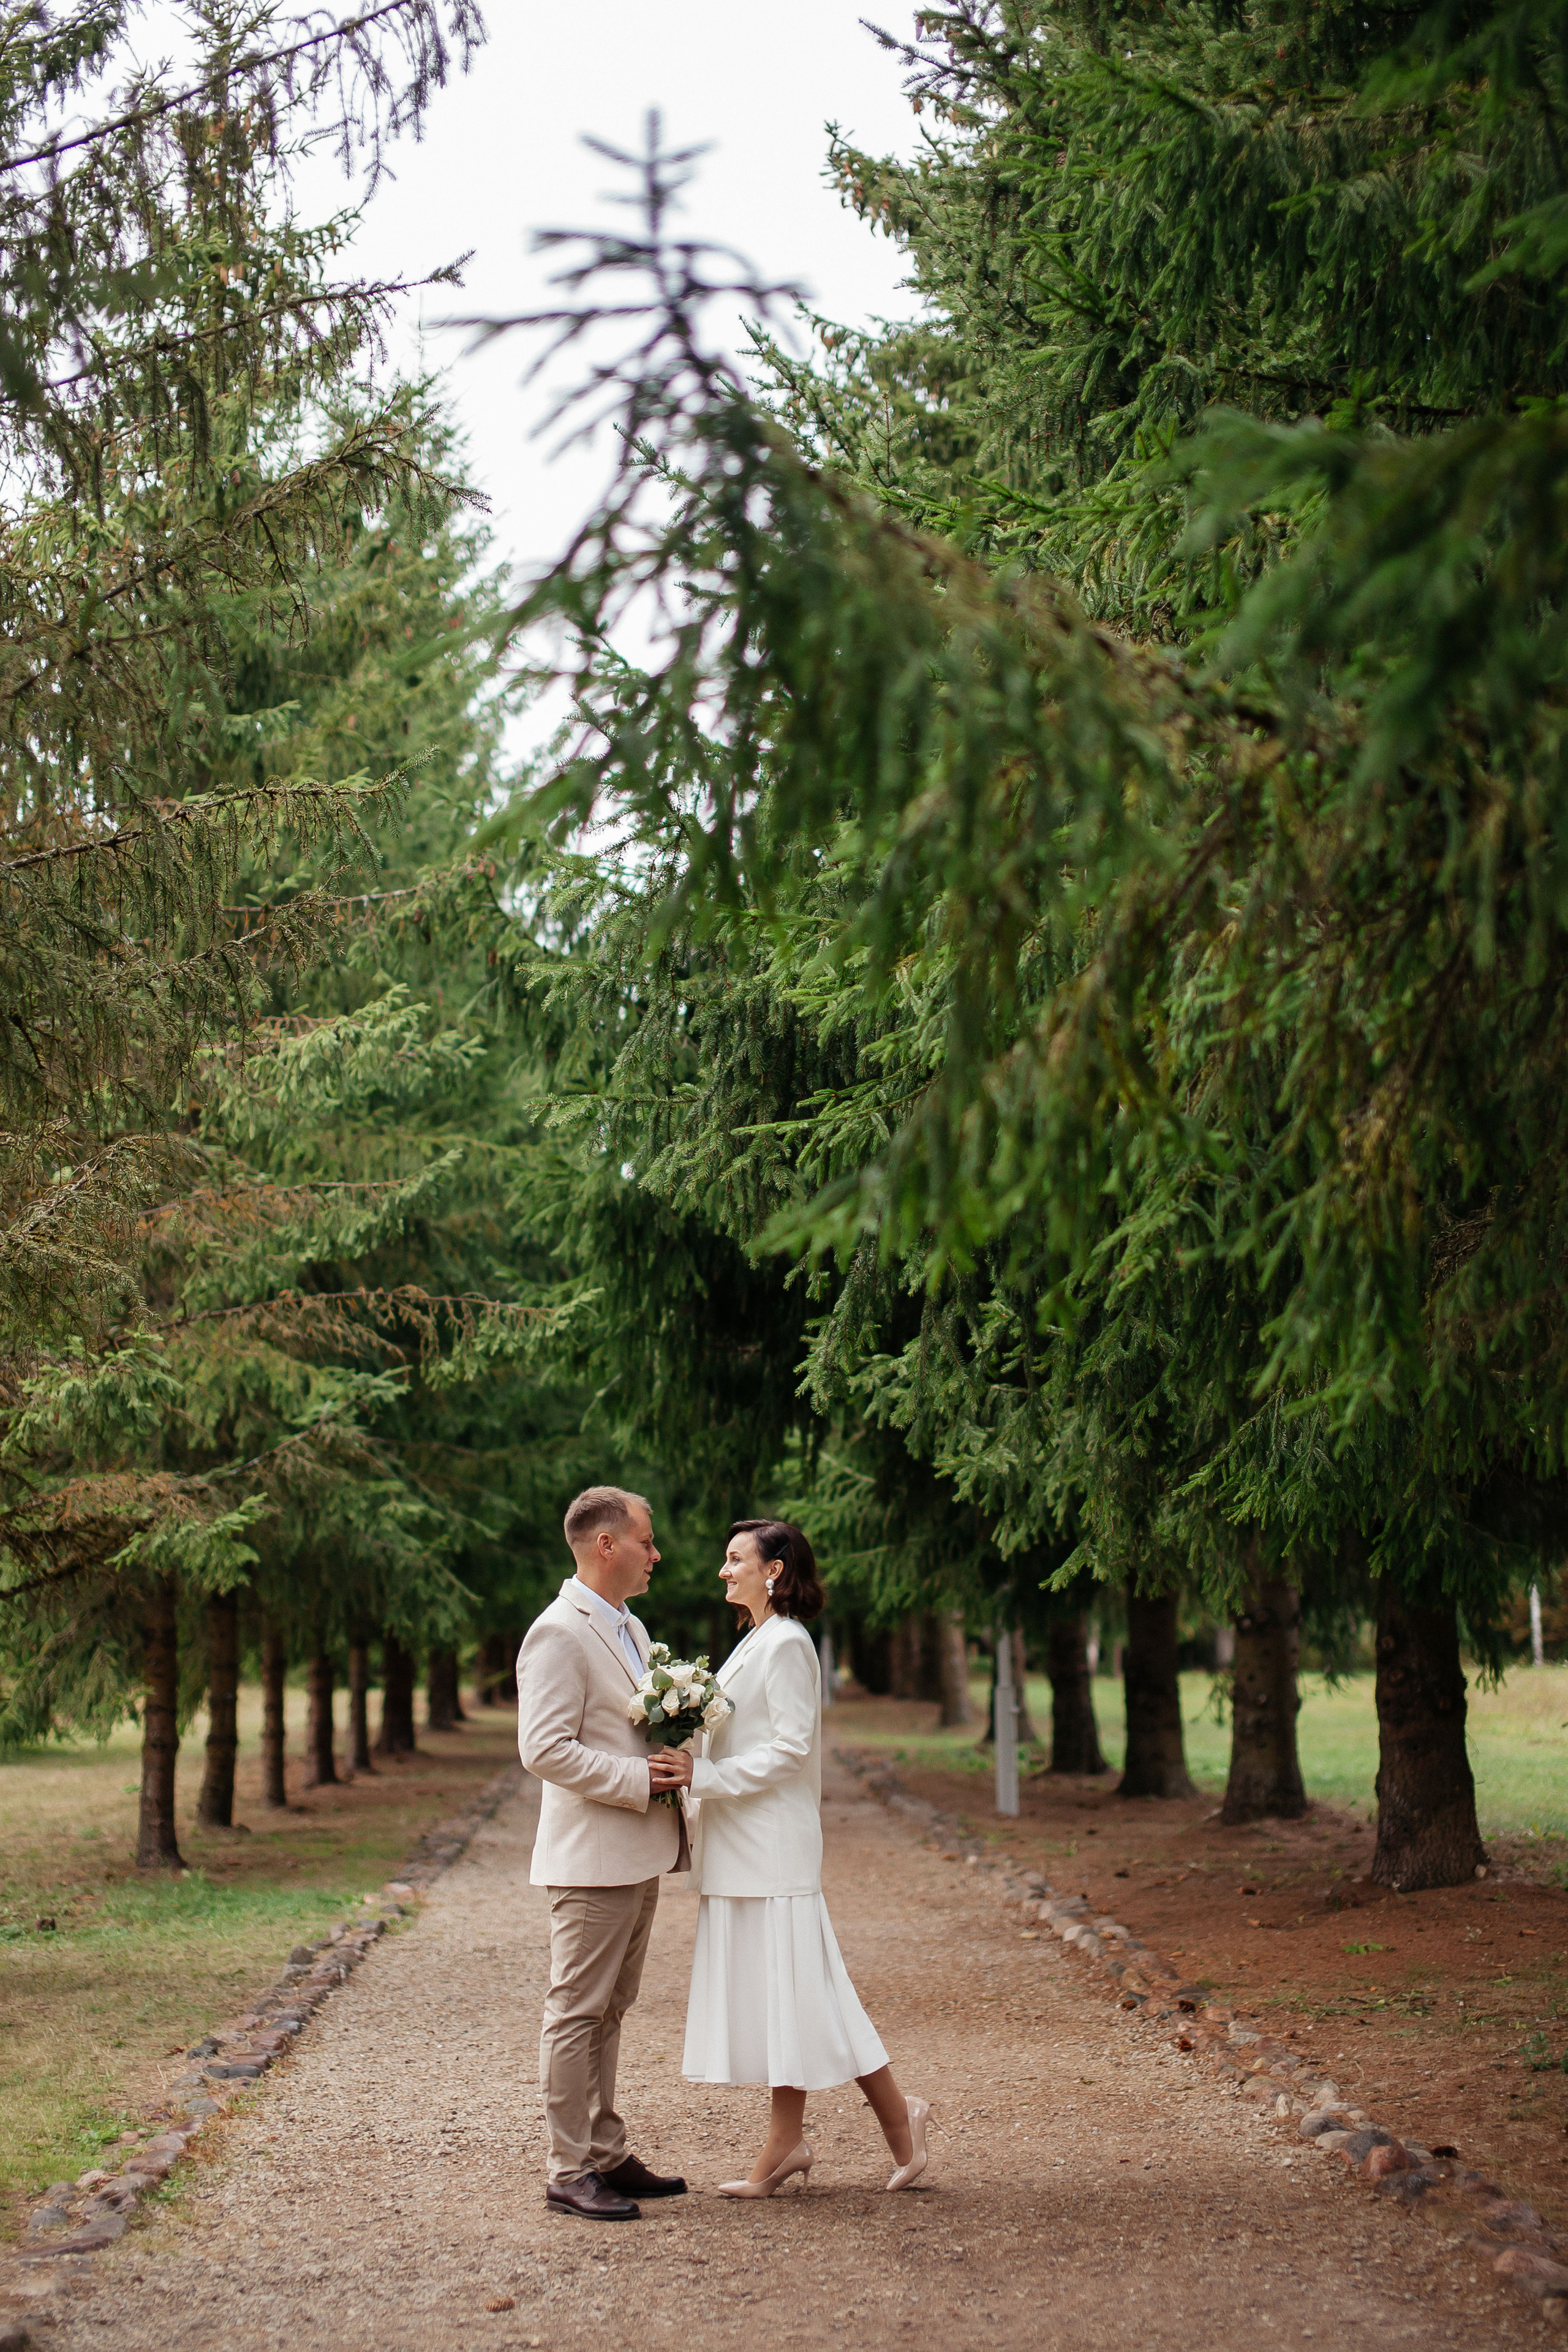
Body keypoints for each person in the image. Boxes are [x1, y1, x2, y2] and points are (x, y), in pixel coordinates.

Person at [650, 1518, 932, 2197]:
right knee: (793, 1996)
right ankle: (817, 2136)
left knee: (806, 1991)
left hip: (773, 1850)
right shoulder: (753, 1642)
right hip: (742, 1849)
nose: (724, 1570)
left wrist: (702, 1777)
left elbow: (789, 1751)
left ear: (773, 1570)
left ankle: (868, 2126)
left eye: (734, 1559)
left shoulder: (787, 1645)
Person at [515, 1485, 692, 2222]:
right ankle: (566, 2168)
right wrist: (634, 1779)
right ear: (606, 1545)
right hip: (590, 1858)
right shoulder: (558, 1631)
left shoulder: (629, 1623)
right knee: (576, 2013)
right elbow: (543, 1749)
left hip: (636, 1851)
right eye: (647, 1541)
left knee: (612, 2010)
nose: (657, 1553)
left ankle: (605, 2150)